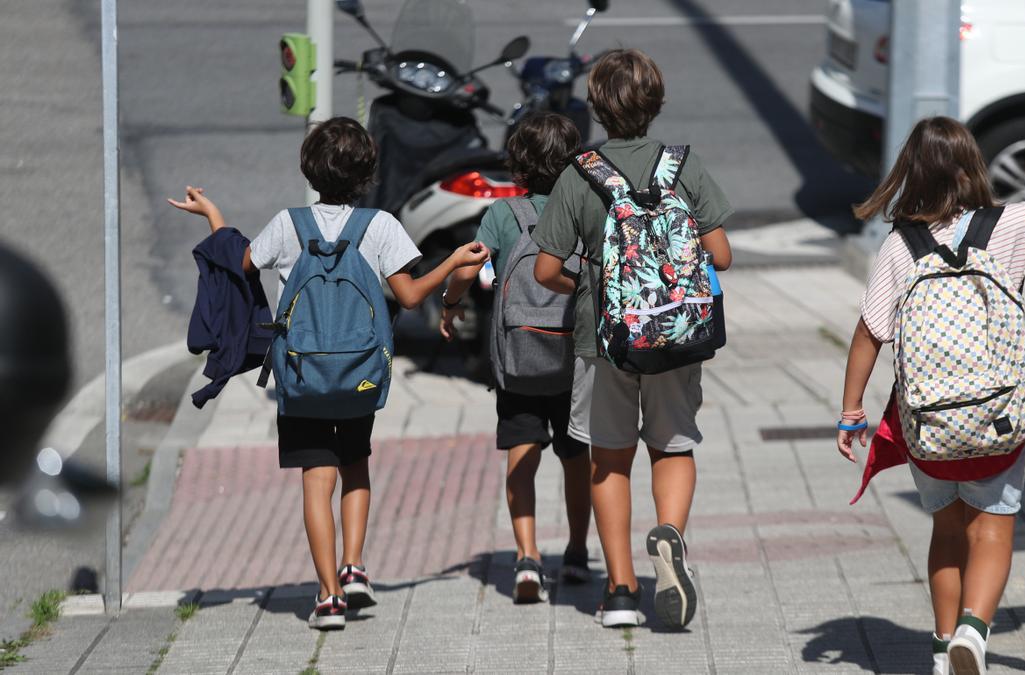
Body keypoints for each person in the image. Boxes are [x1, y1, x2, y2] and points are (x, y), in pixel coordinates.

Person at [169, 117, 489, 630]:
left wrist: (212, 214)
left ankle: (329, 596)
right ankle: (355, 566)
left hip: (301, 377)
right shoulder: (380, 225)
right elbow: (408, 296)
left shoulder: (288, 223)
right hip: (360, 374)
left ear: (310, 170)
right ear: (367, 174)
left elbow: (238, 264)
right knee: (355, 465)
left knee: (316, 480)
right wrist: (450, 261)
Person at [837, 116, 1025, 675]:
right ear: (971, 170)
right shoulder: (1009, 225)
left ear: (908, 174)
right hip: (997, 419)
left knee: (946, 528)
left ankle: (943, 650)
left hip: (928, 425)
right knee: (992, 526)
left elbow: (868, 333)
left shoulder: (899, 245)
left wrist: (851, 413)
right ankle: (974, 630)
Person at [531, 49, 733, 629]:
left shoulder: (580, 173)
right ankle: (669, 534)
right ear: (656, 104)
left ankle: (620, 590)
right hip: (677, 334)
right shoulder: (683, 165)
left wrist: (589, 281)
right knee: (672, 447)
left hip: (605, 340)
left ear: (595, 107)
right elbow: (720, 254)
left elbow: (546, 271)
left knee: (608, 458)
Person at [440, 112, 593, 602]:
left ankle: (527, 558)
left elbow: (469, 263)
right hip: (575, 359)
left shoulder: (504, 215)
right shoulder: (584, 207)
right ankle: (574, 552)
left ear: (517, 167)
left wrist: (451, 301)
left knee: (521, 457)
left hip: (519, 361)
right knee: (577, 459)